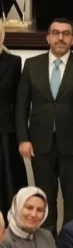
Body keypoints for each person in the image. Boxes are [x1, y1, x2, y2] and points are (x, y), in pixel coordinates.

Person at [16, 18, 73, 235]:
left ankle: (70, 246)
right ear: (48, 38)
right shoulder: (32, 65)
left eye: (65, 33)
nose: (60, 38)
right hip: (40, 144)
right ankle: (47, 244)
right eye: (55, 33)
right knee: (44, 200)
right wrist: (23, 139)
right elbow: (22, 106)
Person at [0, 23, 27, 214]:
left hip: (5, 134)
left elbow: (19, 103)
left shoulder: (14, 62)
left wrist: (22, 136)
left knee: (8, 185)